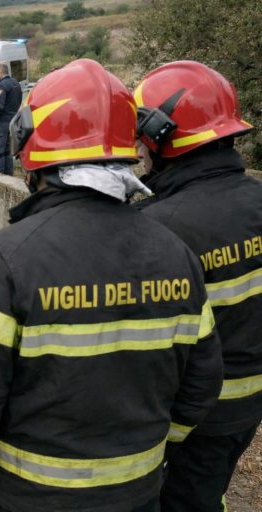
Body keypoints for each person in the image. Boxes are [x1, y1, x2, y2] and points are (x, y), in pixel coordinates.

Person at [0, 59, 223, 512]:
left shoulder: (5, 259)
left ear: (32, 150)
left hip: (26, 497)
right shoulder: (176, 252)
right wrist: (148, 448)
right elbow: (202, 381)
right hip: (137, 494)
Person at [132, 60, 261, 512]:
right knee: (207, 488)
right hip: (247, 408)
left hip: (188, 418)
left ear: (160, 135)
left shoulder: (158, 229)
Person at [0, 61, 21, 175]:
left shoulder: (2, 85)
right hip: (12, 122)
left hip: (1, 122)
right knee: (7, 150)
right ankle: (8, 174)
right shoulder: (16, 83)